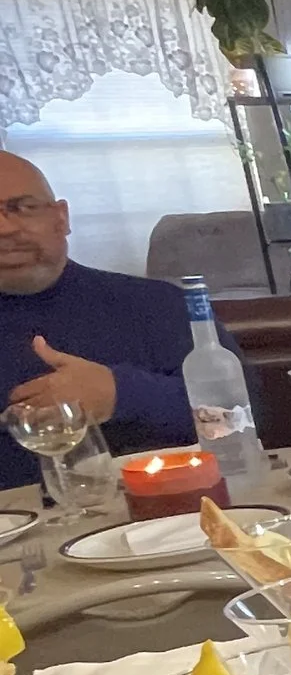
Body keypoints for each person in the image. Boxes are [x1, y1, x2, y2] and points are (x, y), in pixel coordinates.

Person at [0, 151, 194, 487]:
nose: (4, 228)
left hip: (165, 512)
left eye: (21, 207)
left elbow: (246, 417)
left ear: (61, 217)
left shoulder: (158, 304)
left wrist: (122, 393)